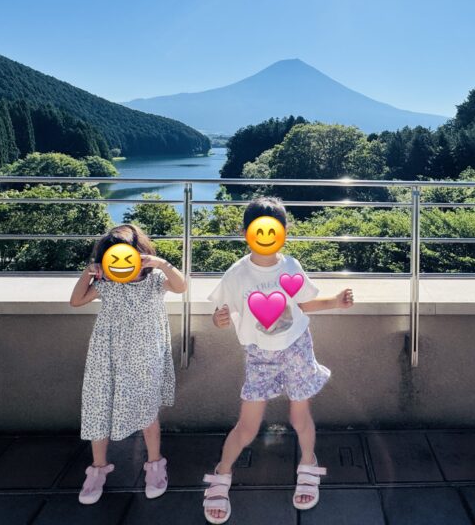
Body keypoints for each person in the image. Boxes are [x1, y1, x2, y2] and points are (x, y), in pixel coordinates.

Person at [202, 197, 354, 524]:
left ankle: (308, 463)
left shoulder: (291, 267)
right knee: (248, 425)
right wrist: (219, 320)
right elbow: (219, 312)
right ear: (246, 232)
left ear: (284, 232)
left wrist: (336, 302)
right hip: (259, 355)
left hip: (297, 348)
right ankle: (222, 473)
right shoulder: (237, 274)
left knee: (301, 418)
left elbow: (304, 305)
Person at [70, 224, 185, 505]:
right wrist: (90, 272)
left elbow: (181, 286)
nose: (120, 264)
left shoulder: (155, 278)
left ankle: (155, 464)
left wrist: (161, 263)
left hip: (146, 354)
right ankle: (98, 469)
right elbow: (76, 301)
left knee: (147, 409)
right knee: (99, 407)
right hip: (107, 355)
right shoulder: (106, 282)